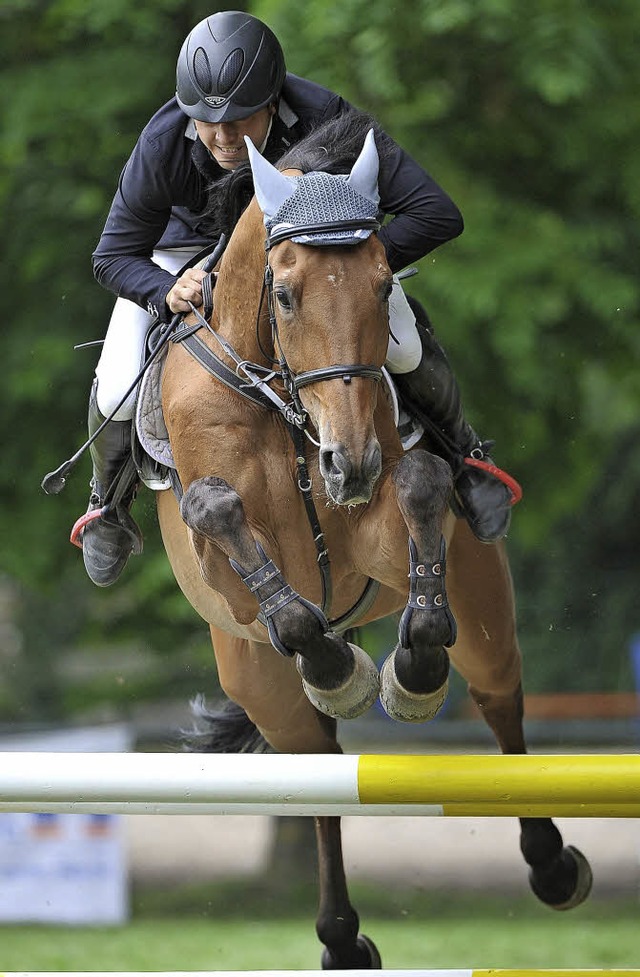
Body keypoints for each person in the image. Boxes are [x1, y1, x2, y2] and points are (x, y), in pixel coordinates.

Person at [82, 9, 513, 588]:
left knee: (405, 346)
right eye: (207, 123)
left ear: (273, 99)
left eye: (238, 119)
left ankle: (466, 460)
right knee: (116, 381)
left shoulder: (329, 119)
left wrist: (354, 270)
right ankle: (107, 505)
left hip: (319, 260)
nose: (221, 138)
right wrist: (165, 290)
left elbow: (438, 213)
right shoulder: (163, 142)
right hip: (185, 260)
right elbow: (112, 256)